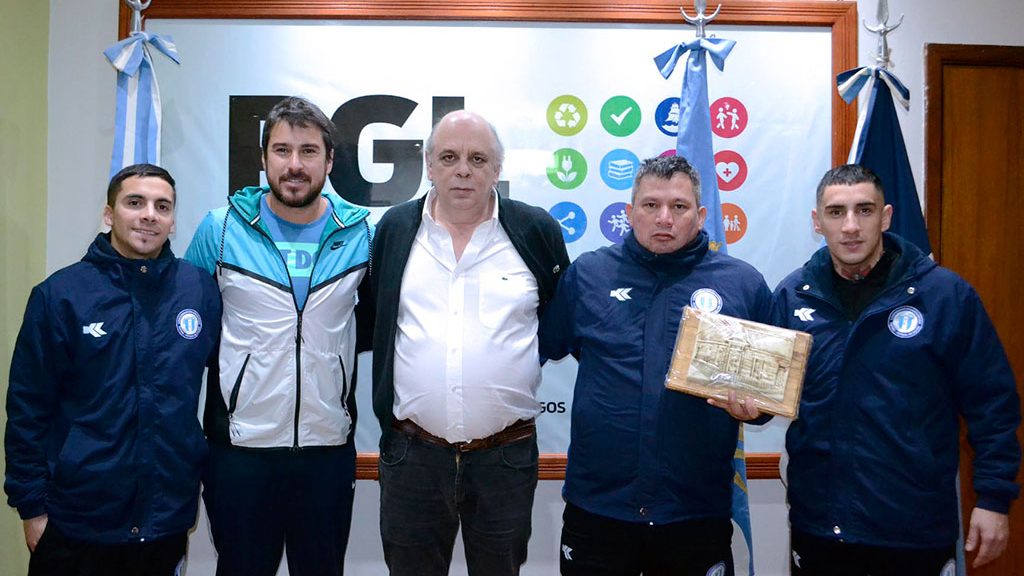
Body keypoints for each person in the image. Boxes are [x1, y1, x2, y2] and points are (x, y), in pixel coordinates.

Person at [773, 164, 1021, 575]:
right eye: (836, 212)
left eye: (864, 210)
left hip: (914, 531)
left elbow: (993, 406)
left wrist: (994, 499)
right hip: (820, 528)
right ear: (817, 222)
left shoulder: (945, 297)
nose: (850, 226)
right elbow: (768, 394)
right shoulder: (792, 295)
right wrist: (747, 405)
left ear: (885, 217)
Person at [539, 154, 771, 576]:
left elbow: (767, 393)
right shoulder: (589, 276)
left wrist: (755, 410)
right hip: (599, 509)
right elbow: (545, 346)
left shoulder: (743, 284)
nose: (664, 218)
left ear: (701, 216)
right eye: (651, 205)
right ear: (630, 213)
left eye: (679, 206)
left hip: (694, 512)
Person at [370, 110, 569, 576]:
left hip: (505, 458)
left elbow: (557, 323)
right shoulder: (395, 229)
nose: (463, 170)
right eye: (449, 157)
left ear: (497, 170)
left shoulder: (535, 230)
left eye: (478, 159)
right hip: (412, 455)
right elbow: (377, 316)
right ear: (428, 165)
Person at [184, 96, 373, 576]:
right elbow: (187, 335)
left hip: (327, 450)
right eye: (282, 150)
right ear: (264, 157)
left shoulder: (361, 234)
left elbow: (373, 326)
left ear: (330, 161)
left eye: (309, 151)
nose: (295, 165)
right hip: (240, 452)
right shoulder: (220, 230)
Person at [5, 163, 221, 576]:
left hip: (164, 520)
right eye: (135, 203)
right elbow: (28, 408)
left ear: (173, 222)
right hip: (75, 521)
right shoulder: (60, 296)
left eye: (162, 206)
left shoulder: (198, 290)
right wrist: (31, 507)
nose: (149, 215)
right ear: (109, 214)